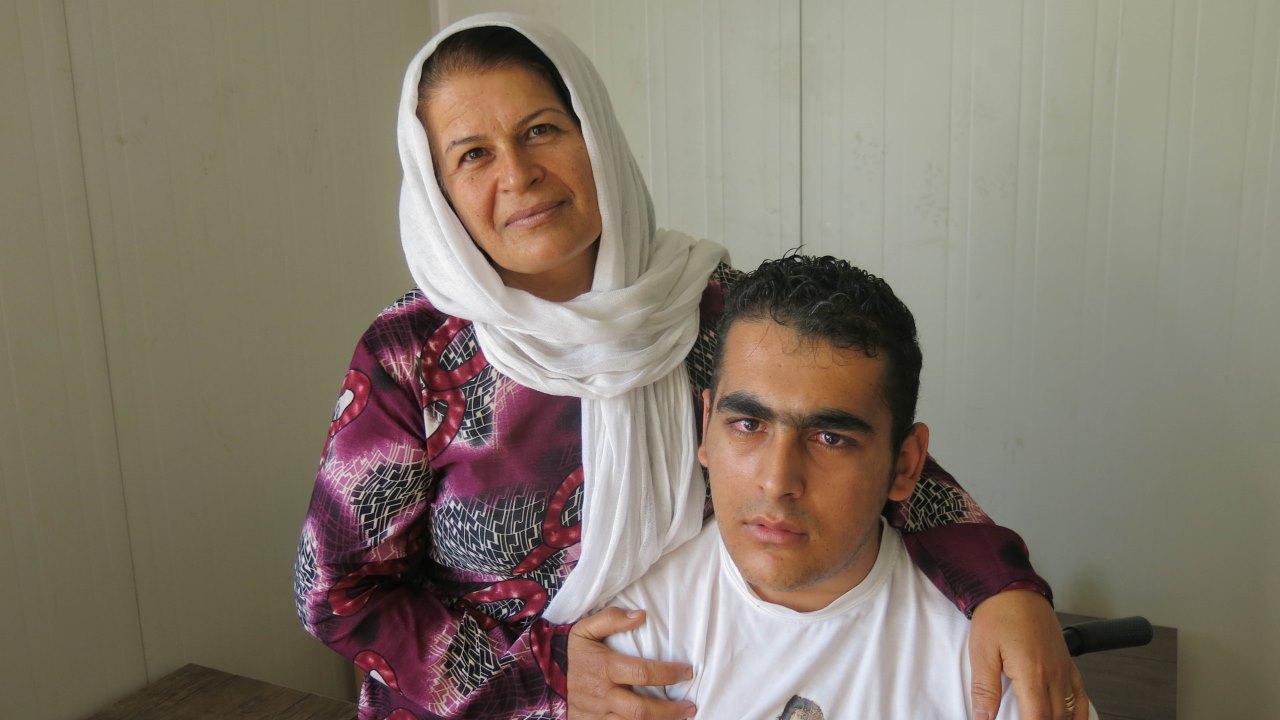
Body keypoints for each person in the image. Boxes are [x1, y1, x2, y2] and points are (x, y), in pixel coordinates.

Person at [294, 12, 1083, 720]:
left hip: (703, 681)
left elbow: (870, 457)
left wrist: (1008, 591)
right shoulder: (413, 357)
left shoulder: (707, 311)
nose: (518, 173)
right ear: (439, 191)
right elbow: (335, 592)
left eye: (540, 130)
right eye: (473, 154)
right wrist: (549, 679)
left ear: (592, 130)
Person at [606, 255, 1094, 719]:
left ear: (905, 464)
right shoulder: (642, 624)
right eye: (749, 424)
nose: (778, 482)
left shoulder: (988, 657)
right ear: (707, 425)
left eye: (829, 437)